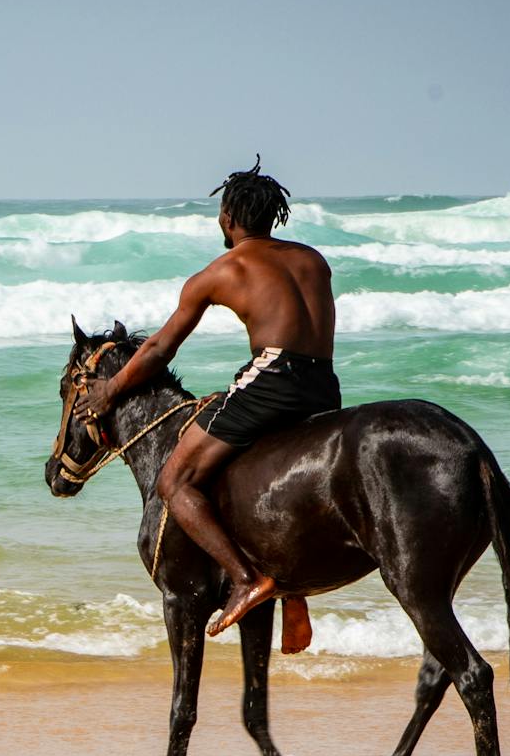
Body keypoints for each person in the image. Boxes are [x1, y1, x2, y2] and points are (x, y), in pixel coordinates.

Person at [81, 157, 339, 649]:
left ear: (227, 217)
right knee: (279, 483)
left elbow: (159, 349)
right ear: (273, 215)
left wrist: (109, 390)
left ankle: (245, 579)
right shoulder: (313, 260)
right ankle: (295, 596)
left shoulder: (223, 270)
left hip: (273, 380)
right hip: (324, 385)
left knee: (174, 479)